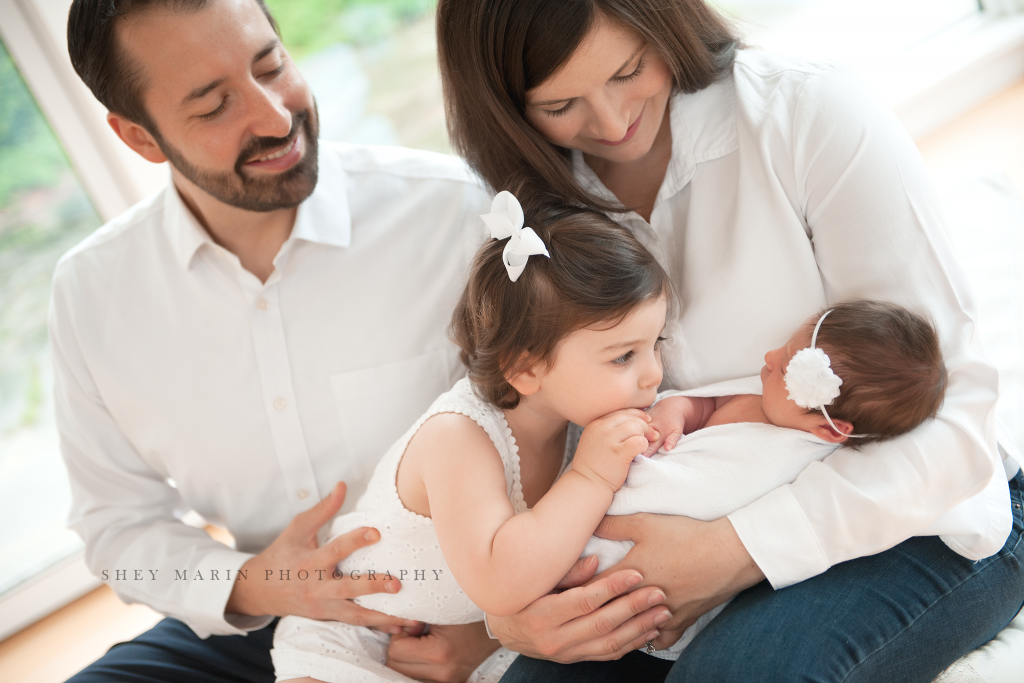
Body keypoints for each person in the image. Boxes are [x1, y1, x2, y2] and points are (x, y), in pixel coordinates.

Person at [54, 1, 670, 681]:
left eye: (271, 65)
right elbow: (118, 523)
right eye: (213, 105)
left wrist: (491, 624)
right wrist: (257, 582)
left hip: (475, 593)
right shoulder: (93, 294)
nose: (273, 116)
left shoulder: (455, 213)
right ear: (139, 137)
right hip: (264, 611)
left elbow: (593, 394)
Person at [433, 1, 1024, 681]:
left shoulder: (808, 116)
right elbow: (524, 422)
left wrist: (731, 550)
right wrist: (510, 605)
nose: (611, 120)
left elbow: (955, 415)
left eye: (628, 70)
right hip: (664, 536)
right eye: (561, 104)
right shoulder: (531, 221)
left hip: (911, 516)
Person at [270, 192, 668, 683]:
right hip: (355, 639)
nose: (654, 375)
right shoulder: (458, 438)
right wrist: (589, 477)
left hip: (473, 647)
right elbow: (501, 580)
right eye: (624, 356)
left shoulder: (583, 418)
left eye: (658, 343)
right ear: (526, 369)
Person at [583, 299, 949, 663]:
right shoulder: (769, 396)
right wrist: (676, 410)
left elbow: (701, 494)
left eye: (785, 364)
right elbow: (706, 404)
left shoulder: (788, 457)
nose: (770, 356)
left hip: (652, 547)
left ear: (829, 428)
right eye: (786, 346)